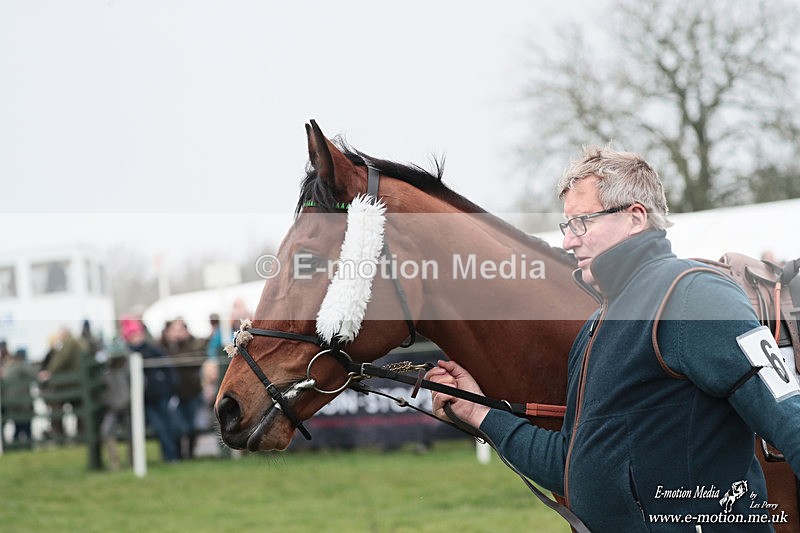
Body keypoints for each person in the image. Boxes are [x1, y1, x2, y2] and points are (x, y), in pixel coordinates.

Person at [427, 147, 800, 532]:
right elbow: (570, 467)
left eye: (582, 222)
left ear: (635, 217)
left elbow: (789, 418)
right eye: (567, 226)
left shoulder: (694, 294)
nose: (570, 241)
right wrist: (478, 413)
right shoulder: (595, 327)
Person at [120, 316, 180, 463]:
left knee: (170, 426)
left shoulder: (153, 350)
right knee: (160, 428)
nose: (137, 338)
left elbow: (168, 369)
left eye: (138, 334)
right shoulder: (127, 355)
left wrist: (171, 387)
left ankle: (173, 455)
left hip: (162, 395)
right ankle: (170, 456)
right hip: (145, 399)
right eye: (133, 335)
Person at [159, 317, 205, 459]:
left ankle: (190, 454)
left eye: (180, 329)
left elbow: (197, 358)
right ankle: (178, 454)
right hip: (173, 394)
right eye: (174, 329)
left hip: (192, 392)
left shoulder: (194, 344)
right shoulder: (162, 347)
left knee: (192, 427)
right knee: (176, 427)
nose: (178, 333)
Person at [38, 327, 85, 441]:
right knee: (80, 411)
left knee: (57, 408)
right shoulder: (77, 342)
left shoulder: (69, 343)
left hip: (69, 385)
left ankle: (58, 436)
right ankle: (80, 437)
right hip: (76, 383)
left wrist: (49, 372)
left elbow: (60, 360)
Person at [0, 348, 37, 448]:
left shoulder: (8, 366)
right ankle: (27, 447)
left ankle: (13, 448)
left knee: (18, 426)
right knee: (26, 427)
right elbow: (34, 375)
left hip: (11, 402)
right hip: (22, 402)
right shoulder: (21, 365)